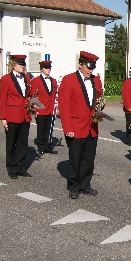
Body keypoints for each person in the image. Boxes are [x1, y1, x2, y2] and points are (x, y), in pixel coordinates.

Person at [58, 51, 103, 199]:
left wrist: (101, 107)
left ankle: (85, 184)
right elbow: (64, 107)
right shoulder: (69, 80)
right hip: (76, 126)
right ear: (80, 65)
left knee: (89, 158)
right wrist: (68, 128)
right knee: (75, 158)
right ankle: (74, 186)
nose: (90, 70)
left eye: (92, 67)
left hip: (92, 127)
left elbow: (98, 101)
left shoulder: (96, 80)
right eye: (88, 67)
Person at [0, 55, 32, 179]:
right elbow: (2, 99)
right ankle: (12, 168)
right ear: (13, 64)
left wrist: (37, 105)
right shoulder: (6, 79)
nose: (22, 66)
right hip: (12, 116)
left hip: (25, 115)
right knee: (11, 142)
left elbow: (29, 96)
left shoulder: (27, 78)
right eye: (20, 63)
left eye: (23, 63)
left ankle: (21, 167)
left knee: (23, 143)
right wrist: (3, 117)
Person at [29, 60, 58, 155]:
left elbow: (55, 95)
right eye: (46, 68)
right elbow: (33, 96)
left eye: (49, 68)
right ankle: (41, 147)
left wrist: (56, 105)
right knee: (41, 129)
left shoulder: (53, 81)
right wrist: (36, 109)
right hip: (41, 109)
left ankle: (47, 146)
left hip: (51, 109)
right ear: (41, 69)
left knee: (49, 129)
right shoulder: (36, 80)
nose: (48, 69)